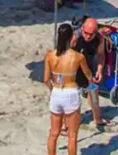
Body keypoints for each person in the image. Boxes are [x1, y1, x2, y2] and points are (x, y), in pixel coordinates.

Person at [44, 23, 94, 155]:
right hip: (70, 93)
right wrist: (92, 81)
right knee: (72, 135)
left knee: (54, 133)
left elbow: (46, 79)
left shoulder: (50, 55)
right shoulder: (78, 56)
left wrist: (53, 89)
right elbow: (88, 74)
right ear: (71, 37)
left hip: (56, 93)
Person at [73, 17, 111, 127]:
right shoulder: (75, 37)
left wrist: (99, 70)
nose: (88, 36)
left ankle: (97, 118)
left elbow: (101, 55)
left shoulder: (99, 38)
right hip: (73, 70)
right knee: (72, 97)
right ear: (82, 28)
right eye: (86, 33)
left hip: (88, 69)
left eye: (91, 34)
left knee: (94, 92)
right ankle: (68, 121)